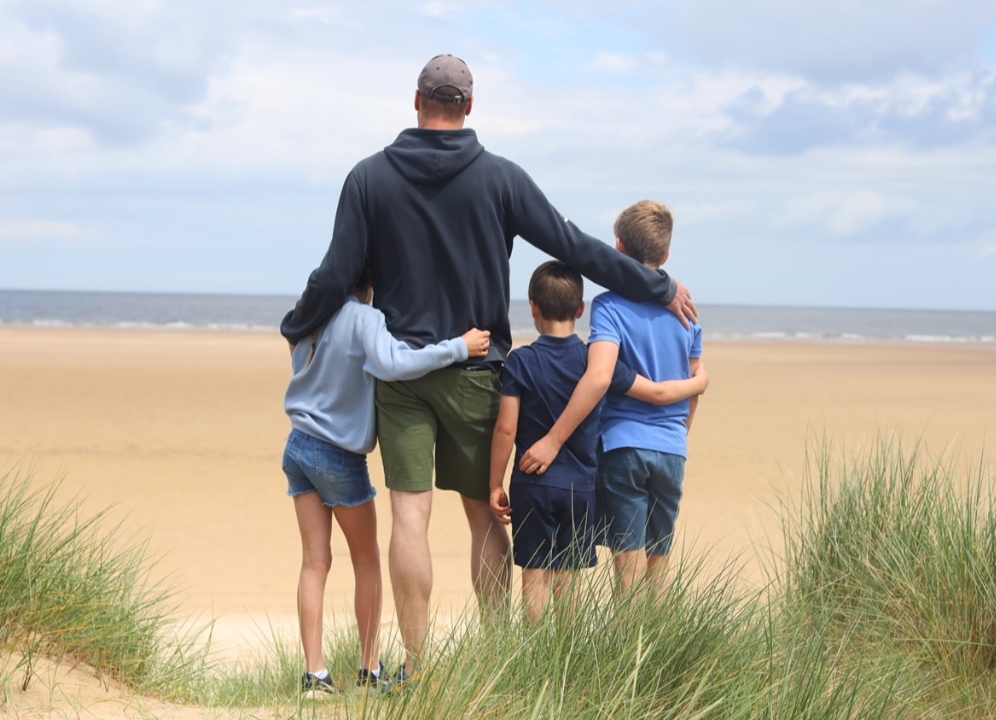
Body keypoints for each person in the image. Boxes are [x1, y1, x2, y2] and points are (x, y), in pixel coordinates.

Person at [279, 54, 699, 684]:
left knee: (410, 516)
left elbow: (336, 276)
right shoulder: (500, 178)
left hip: (403, 378)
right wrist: (655, 285)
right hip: (480, 370)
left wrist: (297, 324)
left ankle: (416, 671)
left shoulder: (368, 178)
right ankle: (500, 661)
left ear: (416, 100)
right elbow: (574, 245)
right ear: (469, 107)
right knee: (483, 514)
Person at [281, 267, 491, 698]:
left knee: (314, 562)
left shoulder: (309, 317)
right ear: (372, 284)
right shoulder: (363, 318)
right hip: (337, 454)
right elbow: (394, 363)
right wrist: (458, 347)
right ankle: (369, 669)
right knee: (367, 561)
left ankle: (314, 676)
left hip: (297, 446)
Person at [488, 261, 707, 621]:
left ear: (533, 307)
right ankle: (569, 658)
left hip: (532, 484)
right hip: (582, 487)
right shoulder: (596, 363)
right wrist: (698, 384)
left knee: (535, 575)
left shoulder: (520, 361)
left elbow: (506, 430)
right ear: (580, 310)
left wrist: (495, 482)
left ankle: (533, 657)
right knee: (569, 579)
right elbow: (652, 391)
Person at [517, 201, 702, 590]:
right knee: (659, 561)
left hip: (623, 447)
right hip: (672, 448)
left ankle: (627, 649)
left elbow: (600, 377)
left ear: (617, 249)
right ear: (666, 254)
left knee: (628, 563)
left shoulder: (609, 306)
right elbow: (694, 381)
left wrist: (552, 441)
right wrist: (679, 432)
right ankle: (658, 647)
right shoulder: (686, 312)